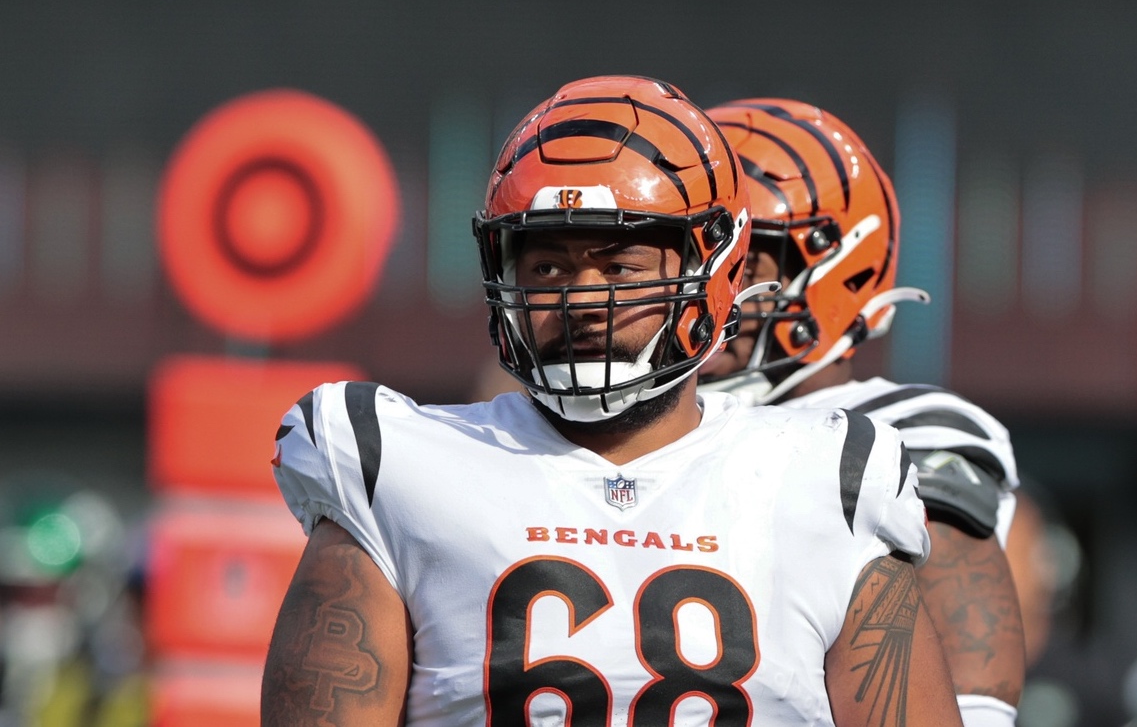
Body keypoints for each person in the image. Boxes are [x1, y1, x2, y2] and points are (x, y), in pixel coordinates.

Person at [261, 75, 961, 726]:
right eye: (547, 266)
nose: (582, 299)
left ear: (711, 273)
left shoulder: (824, 475)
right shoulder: (399, 466)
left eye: (620, 266)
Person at [699, 99, 1026, 727]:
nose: (710, 285)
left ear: (835, 269)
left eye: (743, 262)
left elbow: (973, 698)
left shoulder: (893, 429)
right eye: (694, 254)